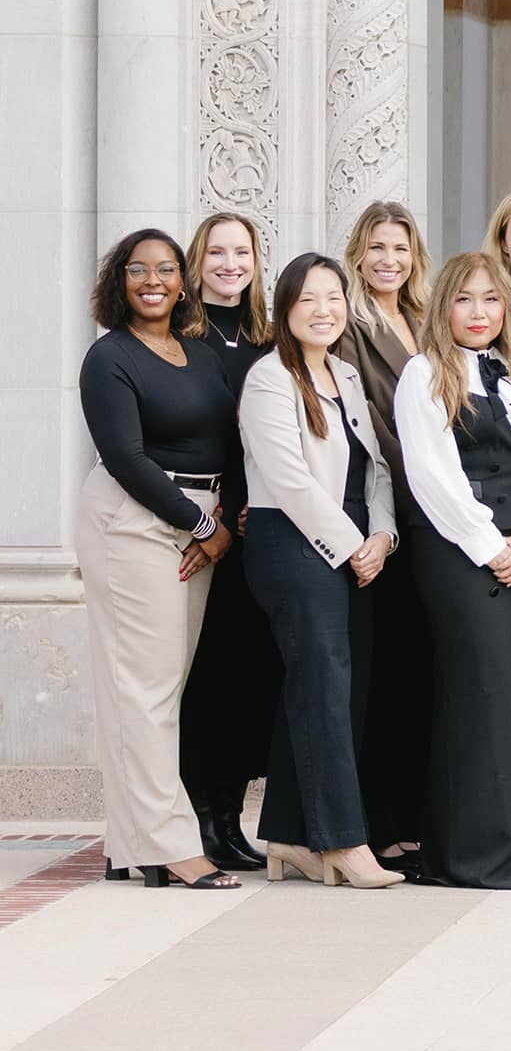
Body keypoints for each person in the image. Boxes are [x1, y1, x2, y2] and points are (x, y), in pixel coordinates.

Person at [392, 253, 511, 890]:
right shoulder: (423, 374)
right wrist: (492, 547)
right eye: (464, 299)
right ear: (444, 307)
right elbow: (430, 475)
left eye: (491, 299)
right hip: (458, 551)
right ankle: (473, 855)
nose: (478, 312)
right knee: (482, 691)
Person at [76, 230, 241, 889]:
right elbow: (126, 457)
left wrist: (219, 519)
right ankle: (169, 845)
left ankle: (129, 843)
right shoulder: (108, 357)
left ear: (182, 281)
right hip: (135, 522)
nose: (153, 281)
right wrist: (201, 523)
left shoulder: (200, 354)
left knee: (157, 687)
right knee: (143, 688)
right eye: (137, 270)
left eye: (166, 269)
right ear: (118, 281)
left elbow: (229, 440)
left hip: (200, 520)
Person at [239, 253, 402, 888]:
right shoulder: (268, 379)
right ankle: (341, 842)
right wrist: (352, 543)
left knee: (334, 689)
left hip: (356, 544)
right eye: (308, 299)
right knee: (325, 689)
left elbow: (376, 466)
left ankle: (288, 834)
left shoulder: (345, 374)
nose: (323, 310)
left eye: (333, 297)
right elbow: (287, 478)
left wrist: (382, 535)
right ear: (285, 307)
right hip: (295, 542)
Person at [175, 212, 280, 873]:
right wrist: (210, 515)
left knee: (248, 673)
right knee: (205, 678)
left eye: (242, 252)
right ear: (198, 260)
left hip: (256, 523)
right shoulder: (179, 336)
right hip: (205, 521)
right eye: (217, 252)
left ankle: (231, 817)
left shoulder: (268, 338)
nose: (230, 263)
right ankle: (198, 819)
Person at [335, 200, 434, 875]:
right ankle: (381, 822)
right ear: (358, 255)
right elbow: (366, 420)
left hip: (439, 511)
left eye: (399, 248)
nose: (388, 260)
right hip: (389, 508)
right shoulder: (350, 325)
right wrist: (426, 476)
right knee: (387, 670)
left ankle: (413, 815)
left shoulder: (426, 318)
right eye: (376, 248)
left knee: (420, 669)